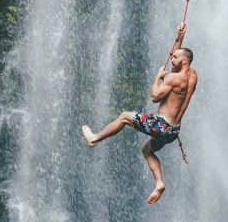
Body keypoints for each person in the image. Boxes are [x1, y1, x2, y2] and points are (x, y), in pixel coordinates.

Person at [82, 22, 198, 204]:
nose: (171, 59)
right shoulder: (192, 75)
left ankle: (94, 139)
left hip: (161, 125)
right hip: (173, 132)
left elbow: (155, 97)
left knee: (124, 116)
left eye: (174, 57)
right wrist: (180, 37)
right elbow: (179, 61)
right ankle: (159, 183)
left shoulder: (174, 79)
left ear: (183, 61)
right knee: (147, 150)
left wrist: (157, 78)